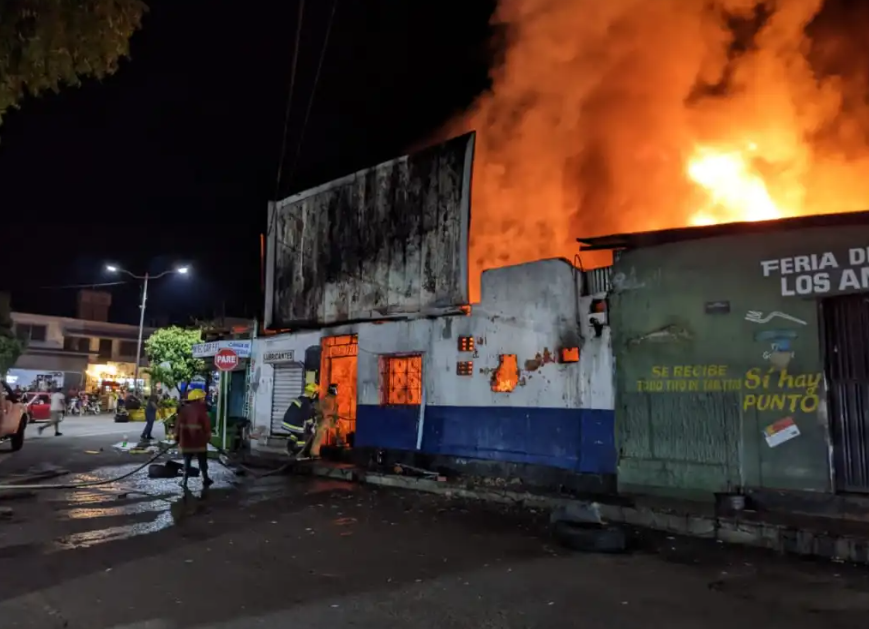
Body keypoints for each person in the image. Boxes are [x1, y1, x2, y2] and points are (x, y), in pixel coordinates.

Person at [174, 389, 213, 488]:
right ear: (197, 399)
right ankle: (206, 478)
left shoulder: (183, 411)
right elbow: (207, 426)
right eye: (202, 399)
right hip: (199, 442)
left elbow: (178, 425)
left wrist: (177, 437)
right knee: (202, 461)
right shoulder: (202, 411)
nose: (203, 400)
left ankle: (184, 480)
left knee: (187, 461)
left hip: (186, 442)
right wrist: (208, 437)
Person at [282, 382, 319, 456]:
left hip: (287, 421)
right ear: (311, 393)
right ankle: (298, 453)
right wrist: (312, 426)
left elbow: (303, 412)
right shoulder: (306, 402)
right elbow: (307, 416)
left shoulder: (301, 398)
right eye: (315, 393)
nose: (315, 395)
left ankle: (289, 449)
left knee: (294, 435)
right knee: (301, 438)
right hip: (294, 423)